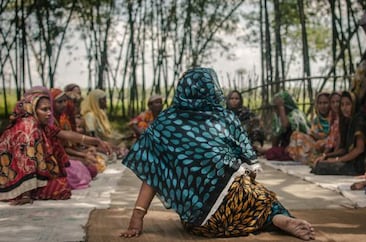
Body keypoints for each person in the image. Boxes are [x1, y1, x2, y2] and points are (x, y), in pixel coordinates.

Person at [120, 67, 315, 240]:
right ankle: (279, 218)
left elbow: (152, 173)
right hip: (239, 198)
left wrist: (137, 217)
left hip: (201, 221)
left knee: (209, 207)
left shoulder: (166, 122)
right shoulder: (225, 117)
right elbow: (249, 164)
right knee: (263, 200)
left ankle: (267, 217)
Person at [0, 87, 111, 205]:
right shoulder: (27, 128)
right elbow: (25, 162)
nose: (49, 113)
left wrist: (96, 141)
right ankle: (27, 192)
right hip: (14, 182)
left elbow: (67, 135)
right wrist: (25, 194)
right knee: (62, 188)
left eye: (49, 109)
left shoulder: (40, 124)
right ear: (32, 110)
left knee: (64, 186)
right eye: (44, 109)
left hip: (35, 178)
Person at [311, 91, 366, 175]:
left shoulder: (359, 121)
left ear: (354, 104)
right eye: (342, 105)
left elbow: (359, 149)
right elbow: (344, 149)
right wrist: (327, 155)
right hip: (350, 159)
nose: (344, 108)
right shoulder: (347, 120)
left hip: (361, 164)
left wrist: (338, 160)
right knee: (320, 163)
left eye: (348, 104)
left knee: (321, 167)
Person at [256, 91, 310, 161]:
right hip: (288, 148)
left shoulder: (296, 114)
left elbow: (285, 124)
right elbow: (275, 142)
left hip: (301, 147)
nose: (275, 110)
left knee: (272, 153)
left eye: (276, 107)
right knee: (271, 152)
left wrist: (281, 108)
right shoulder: (278, 119)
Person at [81, 89, 128, 159]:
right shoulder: (90, 116)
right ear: (96, 102)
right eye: (103, 100)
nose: (106, 102)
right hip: (99, 146)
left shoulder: (101, 114)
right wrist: (113, 148)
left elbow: (108, 133)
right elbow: (93, 137)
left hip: (106, 143)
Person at [287, 92, 331, 164]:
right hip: (315, 142)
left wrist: (321, 137)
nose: (322, 106)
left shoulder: (334, 118)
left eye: (325, 103)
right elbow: (312, 134)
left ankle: (315, 158)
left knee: (320, 143)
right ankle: (305, 158)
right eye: (320, 103)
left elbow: (333, 135)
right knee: (296, 135)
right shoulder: (317, 120)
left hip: (328, 144)